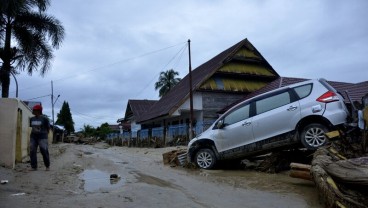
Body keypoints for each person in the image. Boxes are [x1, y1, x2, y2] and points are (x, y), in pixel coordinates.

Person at [29, 104, 51, 171]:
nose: (33, 111)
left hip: (42, 137)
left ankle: (47, 166)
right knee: (32, 150)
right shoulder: (31, 119)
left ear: (39, 111)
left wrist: (45, 135)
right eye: (33, 110)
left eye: (35, 110)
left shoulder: (45, 119)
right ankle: (34, 166)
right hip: (33, 136)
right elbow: (31, 127)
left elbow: (48, 128)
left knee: (44, 150)